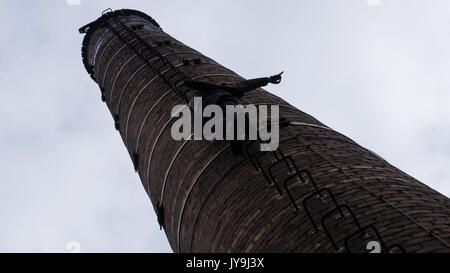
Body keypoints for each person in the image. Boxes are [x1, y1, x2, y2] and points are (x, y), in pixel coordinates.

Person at [183, 72, 283, 155]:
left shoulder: (196, 98)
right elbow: (248, 84)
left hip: (207, 113)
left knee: (217, 124)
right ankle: (249, 132)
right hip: (223, 101)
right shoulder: (226, 89)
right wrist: (268, 79)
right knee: (234, 112)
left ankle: (232, 133)